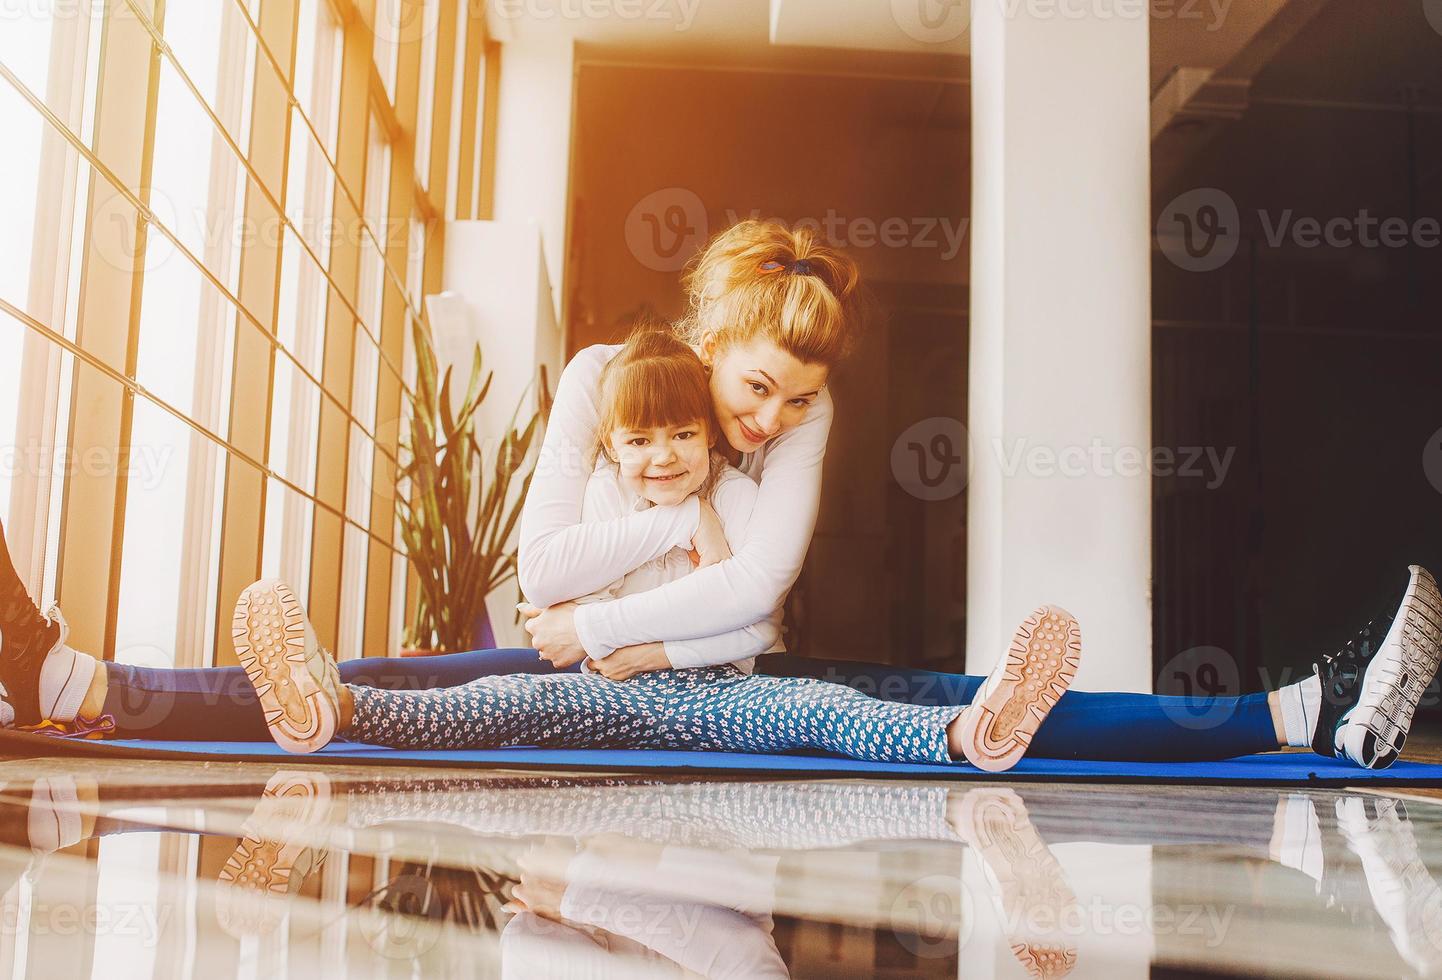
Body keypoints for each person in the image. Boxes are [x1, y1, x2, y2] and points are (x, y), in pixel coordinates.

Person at [0, 220, 1438, 769]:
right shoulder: (593, 386)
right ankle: (90, 682)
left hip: (709, 672)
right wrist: (647, 559)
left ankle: (1298, 712)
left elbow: (755, 597)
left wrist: (624, 631)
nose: (772, 424)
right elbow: (537, 571)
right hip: (583, 660)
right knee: (416, 685)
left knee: (917, 697)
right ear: (697, 342)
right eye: (754, 392)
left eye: (799, 404)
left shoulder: (799, 422)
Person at [226, 327, 1082, 770]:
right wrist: (669, 538)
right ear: (612, 444)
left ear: (712, 440)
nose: (663, 456)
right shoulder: (602, 498)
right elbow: (551, 590)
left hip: (717, 698)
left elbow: (753, 632)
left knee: (824, 711)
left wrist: (638, 648)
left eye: (682, 435)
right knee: (478, 705)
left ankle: (974, 731)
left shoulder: (740, 497)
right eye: (639, 441)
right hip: (592, 696)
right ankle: (326, 710)